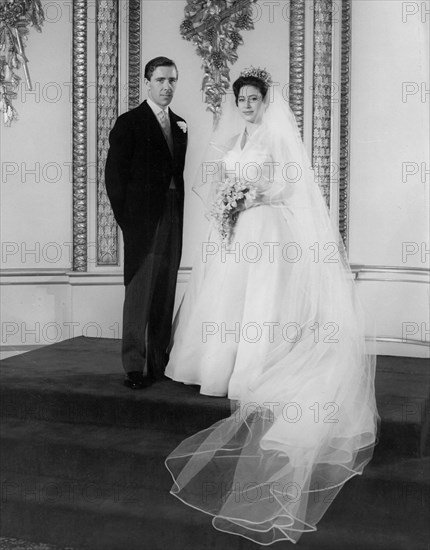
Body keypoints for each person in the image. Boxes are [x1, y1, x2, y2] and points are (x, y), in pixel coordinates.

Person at [165, 68, 378, 544]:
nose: (246, 105)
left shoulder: (278, 138)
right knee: (226, 300)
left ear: (265, 100)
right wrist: (227, 201)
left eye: (253, 98)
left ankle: (252, 371)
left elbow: (291, 187)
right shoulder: (238, 135)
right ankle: (217, 368)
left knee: (259, 303)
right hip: (237, 230)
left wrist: (253, 195)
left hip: (264, 229)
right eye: (241, 98)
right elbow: (223, 179)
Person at [105, 56, 188, 389]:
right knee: (139, 292)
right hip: (142, 221)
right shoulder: (130, 122)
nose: (167, 87)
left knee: (165, 289)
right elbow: (114, 178)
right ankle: (135, 367)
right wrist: (129, 221)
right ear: (147, 83)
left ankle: (159, 362)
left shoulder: (181, 124)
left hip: (172, 214)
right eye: (161, 81)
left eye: (172, 81)